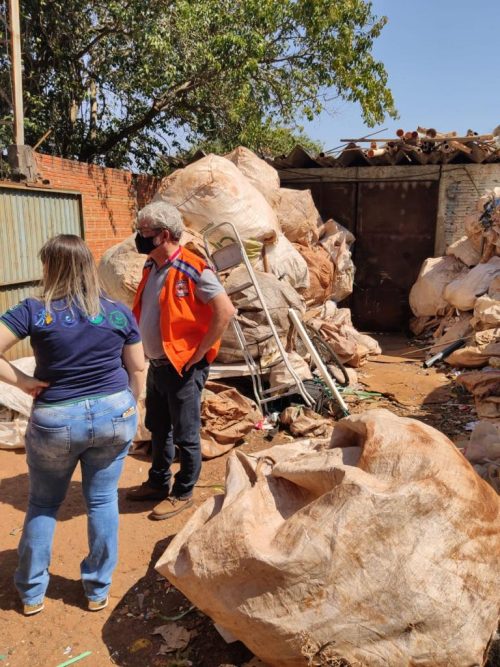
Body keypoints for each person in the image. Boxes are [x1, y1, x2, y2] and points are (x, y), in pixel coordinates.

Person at [0, 234, 145, 616]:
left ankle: (32, 594)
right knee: (102, 501)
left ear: (51, 267)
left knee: (44, 503)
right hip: (115, 414)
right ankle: (97, 590)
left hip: (56, 419)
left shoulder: (33, 310)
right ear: (87, 266)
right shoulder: (116, 311)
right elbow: (139, 367)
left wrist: (23, 382)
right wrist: (131, 402)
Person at [126, 201, 235, 519]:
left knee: (186, 433)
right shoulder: (150, 266)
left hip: (184, 366)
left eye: (144, 231)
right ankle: (158, 482)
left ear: (162, 235)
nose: (139, 236)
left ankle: (183, 491)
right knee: (158, 427)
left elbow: (225, 311)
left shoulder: (192, 267)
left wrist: (200, 353)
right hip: (158, 364)